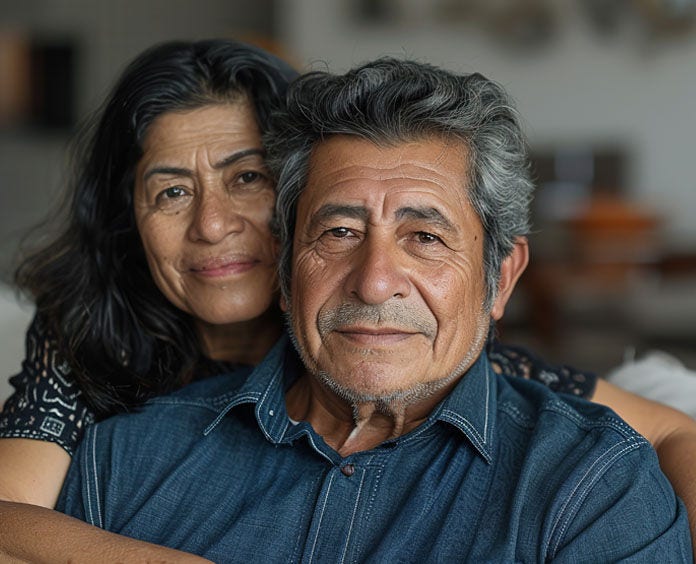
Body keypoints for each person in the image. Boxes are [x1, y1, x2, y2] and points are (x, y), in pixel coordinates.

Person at [55, 57, 691, 561]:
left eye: (425, 237)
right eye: (339, 233)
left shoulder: (592, 487)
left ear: (500, 278)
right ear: (283, 271)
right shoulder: (126, 460)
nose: (375, 282)